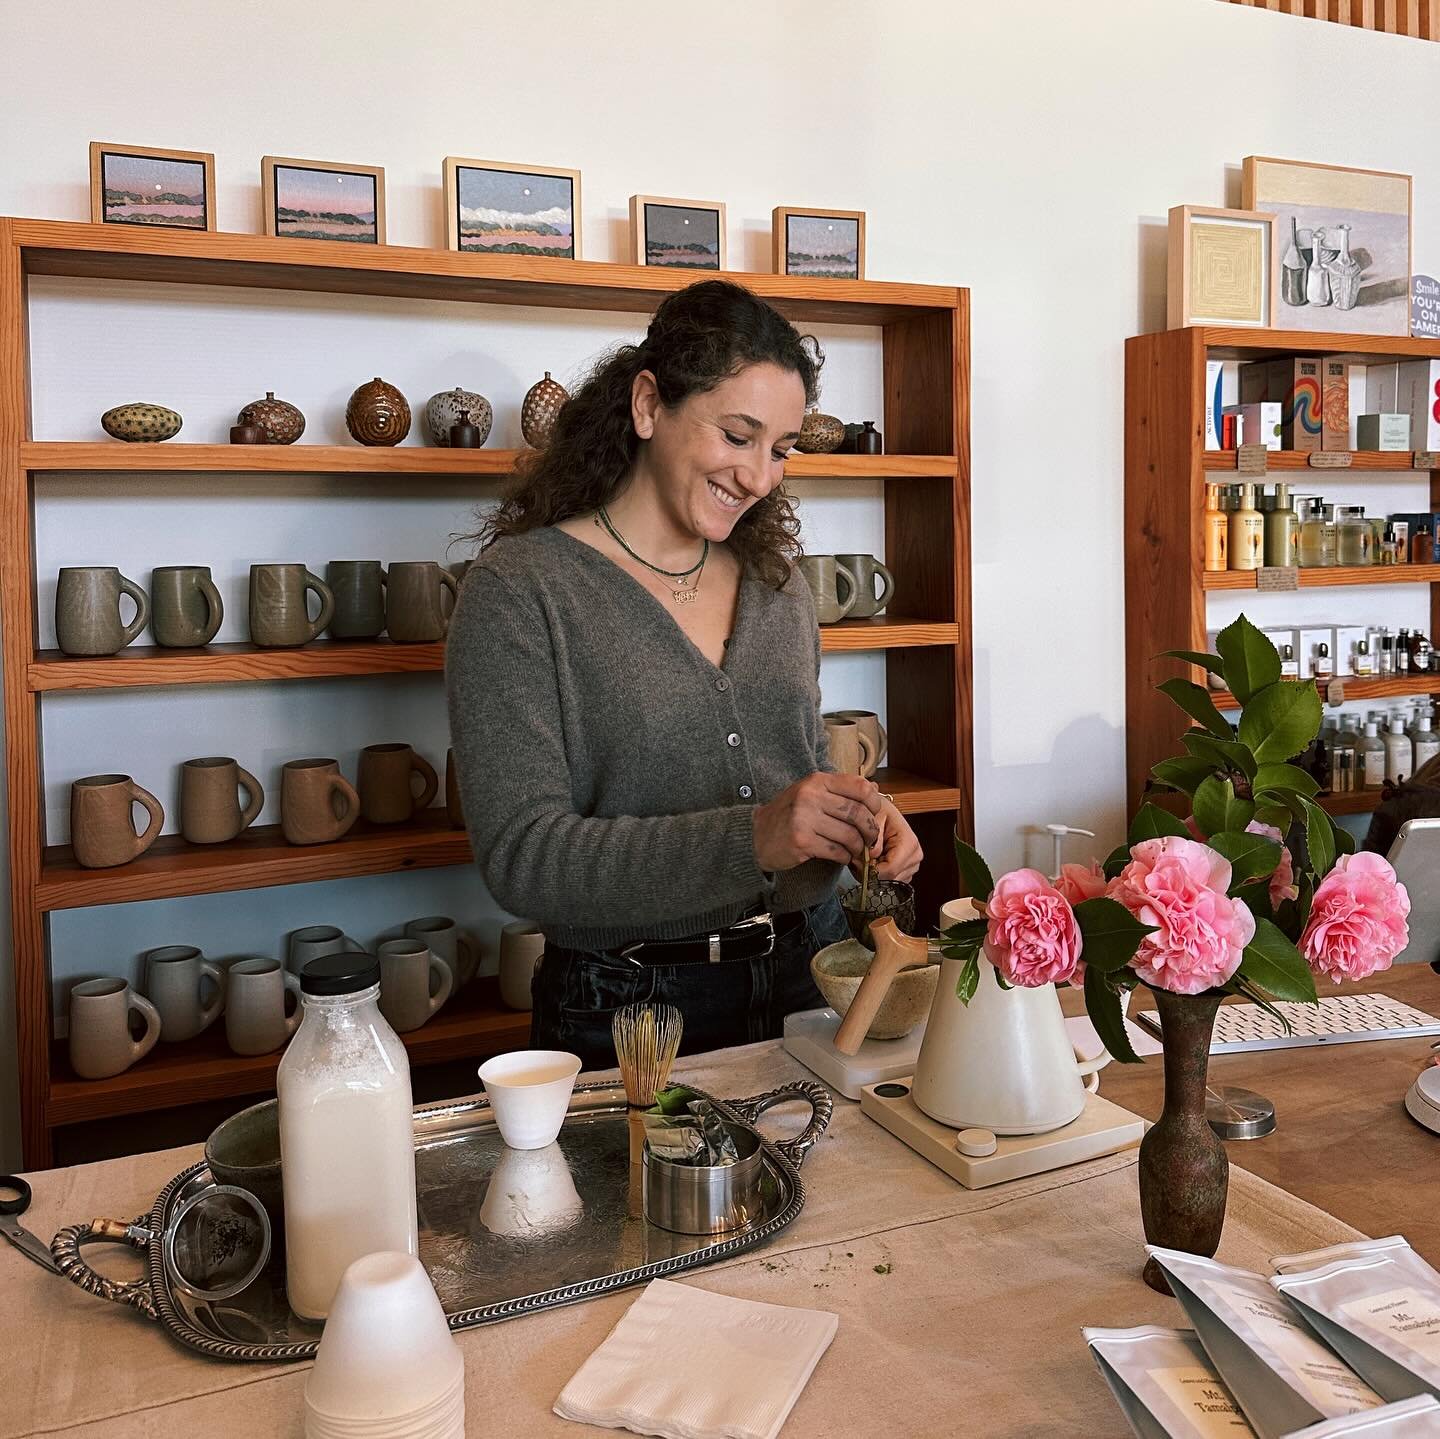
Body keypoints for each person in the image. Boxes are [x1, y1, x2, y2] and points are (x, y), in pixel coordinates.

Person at [446, 279, 923, 1067]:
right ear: (647, 405)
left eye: (780, 449)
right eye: (737, 435)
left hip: (814, 973)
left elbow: (796, 771)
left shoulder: (777, 587)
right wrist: (755, 836)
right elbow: (522, 857)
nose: (759, 476)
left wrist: (857, 821)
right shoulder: (521, 592)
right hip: (627, 1009)